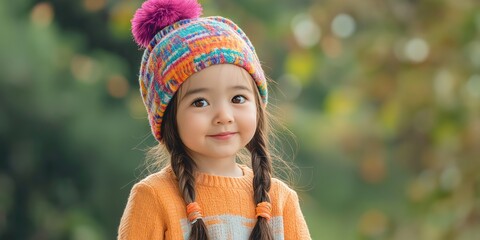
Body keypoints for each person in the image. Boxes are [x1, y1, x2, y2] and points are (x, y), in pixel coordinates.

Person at [118, 0, 311, 239]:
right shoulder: (154, 197)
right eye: (200, 102)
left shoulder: (281, 201)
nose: (224, 116)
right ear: (168, 117)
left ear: (258, 107)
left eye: (238, 98)